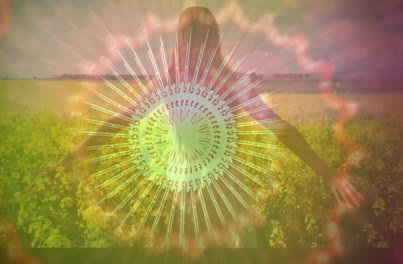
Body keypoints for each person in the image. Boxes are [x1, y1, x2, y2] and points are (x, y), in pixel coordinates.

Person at [57, 6, 363, 248]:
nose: (194, 46)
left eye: (198, 38)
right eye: (191, 38)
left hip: (215, 197)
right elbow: (118, 122)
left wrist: (327, 173)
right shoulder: (172, 82)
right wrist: (75, 155)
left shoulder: (192, 82)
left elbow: (280, 129)